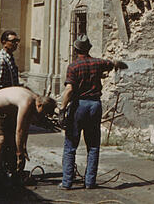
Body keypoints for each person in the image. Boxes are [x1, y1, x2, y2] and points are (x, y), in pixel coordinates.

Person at [59, 34, 127, 190]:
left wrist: (62, 110)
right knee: (93, 146)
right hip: (95, 106)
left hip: (79, 106)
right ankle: (90, 182)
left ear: (75, 50)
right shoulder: (98, 63)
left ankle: (66, 182)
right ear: (89, 48)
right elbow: (113, 63)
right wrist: (117, 65)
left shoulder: (73, 66)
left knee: (70, 146)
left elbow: (69, 89)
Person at [0, 86, 56, 185]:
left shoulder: (35, 101)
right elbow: (19, 130)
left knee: (12, 141)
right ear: (40, 105)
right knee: (0, 139)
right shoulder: (27, 103)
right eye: (44, 112)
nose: (43, 116)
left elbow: (25, 129)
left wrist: (23, 148)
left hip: (5, 110)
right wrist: (19, 153)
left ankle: (10, 171)